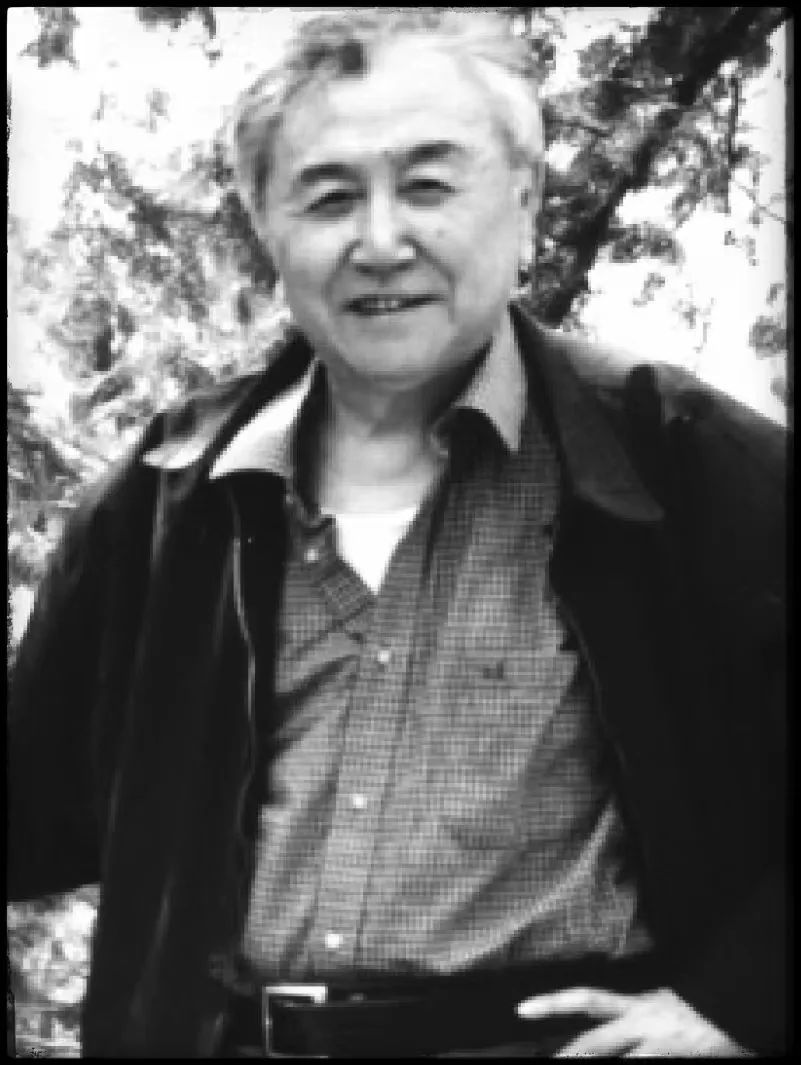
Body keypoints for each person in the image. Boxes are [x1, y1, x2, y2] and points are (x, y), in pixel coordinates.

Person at [8, 10, 787, 1058]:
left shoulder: (674, 460)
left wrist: (740, 1003)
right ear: (266, 228)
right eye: (329, 197)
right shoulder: (170, 500)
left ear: (525, 201)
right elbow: (36, 809)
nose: (380, 242)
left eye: (427, 185)